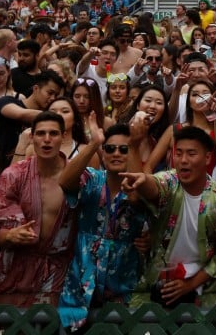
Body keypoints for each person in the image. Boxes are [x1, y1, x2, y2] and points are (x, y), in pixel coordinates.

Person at [120, 125, 216, 307]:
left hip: (201, 288)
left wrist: (190, 285)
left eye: (191, 154)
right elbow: (154, 185)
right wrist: (143, 181)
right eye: (179, 153)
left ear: (207, 157)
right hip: (157, 280)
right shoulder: (170, 181)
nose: (183, 160)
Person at [57, 122, 149, 329]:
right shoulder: (92, 177)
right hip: (82, 279)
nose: (116, 153)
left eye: (124, 149)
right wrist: (94, 143)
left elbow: (137, 197)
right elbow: (64, 181)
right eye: (110, 148)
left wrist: (134, 145)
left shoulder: (145, 182)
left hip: (124, 281)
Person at [0, 111, 77, 308]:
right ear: (32, 137)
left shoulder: (80, 178)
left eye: (53, 134)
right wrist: (10, 235)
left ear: (63, 136)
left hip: (59, 271)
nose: (46, 140)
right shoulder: (13, 176)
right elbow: (0, 235)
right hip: (15, 267)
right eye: (40, 133)